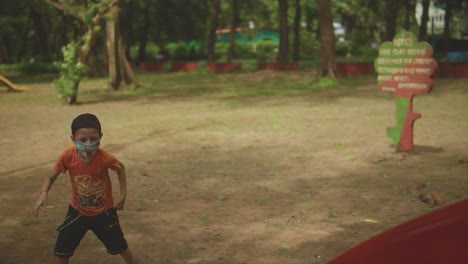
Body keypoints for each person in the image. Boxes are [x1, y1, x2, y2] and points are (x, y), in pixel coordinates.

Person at [33, 113, 135, 264]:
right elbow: (50, 176)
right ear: (73, 139)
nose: (88, 144)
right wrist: (43, 193)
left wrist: (123, 196)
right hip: (77, 211)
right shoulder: (67, 157)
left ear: (101, 136)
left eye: (94, 139)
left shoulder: (105, 158)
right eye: (82, 140)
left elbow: (121, 169)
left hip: (104, 212)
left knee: (120, 246)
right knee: (62, 250)